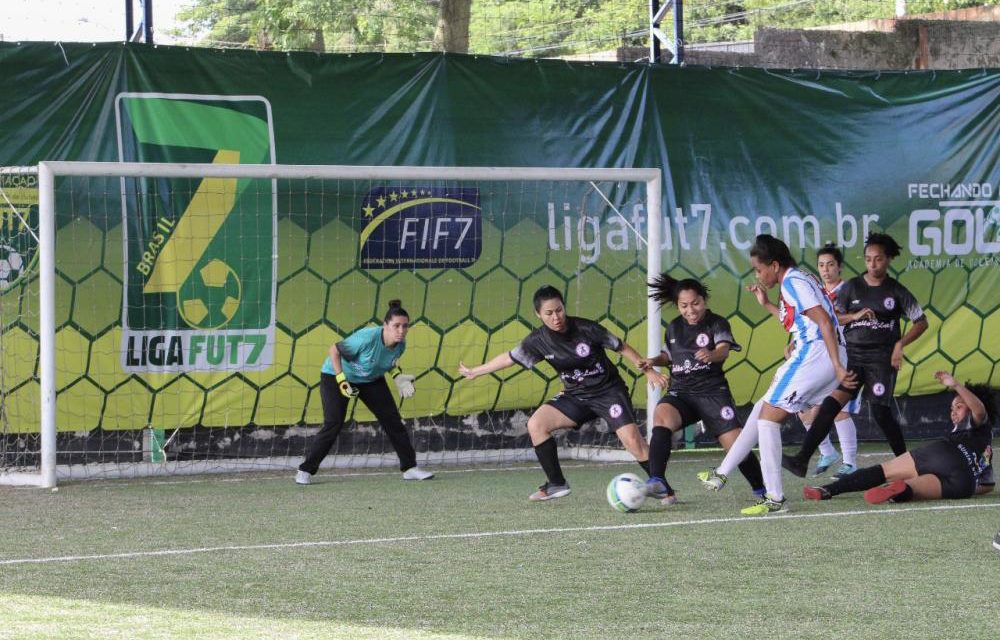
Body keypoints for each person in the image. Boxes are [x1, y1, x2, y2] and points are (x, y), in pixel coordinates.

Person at [458, 285, 667, 501]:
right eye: (549, 313)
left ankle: (662, 487)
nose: (556, 317)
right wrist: (476, 371)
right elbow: (509, 358)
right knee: (536, 425)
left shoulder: (586, 328)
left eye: (559, 310)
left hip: (608, 392)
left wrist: (648, 371)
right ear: (538, 314)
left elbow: (621, 346)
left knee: (634, 442)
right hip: (575, 395)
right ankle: (556, 484)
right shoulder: (537, 341)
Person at [696, 234, 855, 516]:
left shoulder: (793, 282)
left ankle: (775, 498)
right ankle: (721, 473)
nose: (757, 274)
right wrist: (766, 303)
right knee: (762, 409)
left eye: (759, 269)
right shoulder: (796, 280)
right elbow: (797, 321)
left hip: (816, 354)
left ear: (775, 264)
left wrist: (837, 365)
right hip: (822, 355)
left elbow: (823, 321)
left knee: (768, 417)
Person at [782, 233, 928, 478]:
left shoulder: (896, 290)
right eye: (868, 259)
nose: (872, 264)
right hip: (853, 358)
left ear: (889, 259)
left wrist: (900, 344)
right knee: (831, 405)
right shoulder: (851, 288)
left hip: (881, 361)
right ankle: (802, 459)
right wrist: (854, 316)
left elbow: (921, 322)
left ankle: (908, 464)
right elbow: (831, 317)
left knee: (880, 412)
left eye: (878, 259)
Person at [639, 273, 766, 504]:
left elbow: (724, 350)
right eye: (684, 305)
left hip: (712, 393)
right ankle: (657, 479)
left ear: (704, 300)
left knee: (736, 445)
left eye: (695, 303)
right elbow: (668, 357)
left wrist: (712, 354)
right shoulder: (674, 327)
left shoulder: (717, 323)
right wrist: (653, 361)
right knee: (661, 416)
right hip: (682, 393)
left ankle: (761, 490)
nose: (690, 310)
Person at [295, 300, 434, 485]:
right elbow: (334, 350)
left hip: (370, 380)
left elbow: (386, 362)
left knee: (392, 420)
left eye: (405, 326)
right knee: (334, 423)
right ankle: (305, 470)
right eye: (396, 326)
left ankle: (409, 468)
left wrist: (397, 376)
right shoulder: (367, 338)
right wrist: (341, 379)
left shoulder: (400, 345)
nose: (401, 330)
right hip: (335, 375)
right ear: (385, 325)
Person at [803, 371, 994, 504]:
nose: (953, 412)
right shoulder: (987, 447)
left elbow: (978, 409)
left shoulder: (978, 421)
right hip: (964, 484)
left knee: (883, 471)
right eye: (952, 408)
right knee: (911, 488)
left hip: (945, 454)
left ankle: (828, 489)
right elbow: (987, 485)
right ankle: (897, 491)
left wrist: (956, 385)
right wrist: (971, 484)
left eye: (959, 406)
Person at [797, 244, 860, 480]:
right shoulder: (816, 293)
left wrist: (851, 316)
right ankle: (827, 452)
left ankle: (850, 462)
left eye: (830, 264)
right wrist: (794, 343)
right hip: (816, 357)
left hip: (844, 356)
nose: (825, 269)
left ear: (840, 267)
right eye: (821, 265)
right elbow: (811, 322)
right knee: (802, 407)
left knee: (838, 409)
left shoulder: (850, 290)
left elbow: (836, 320)